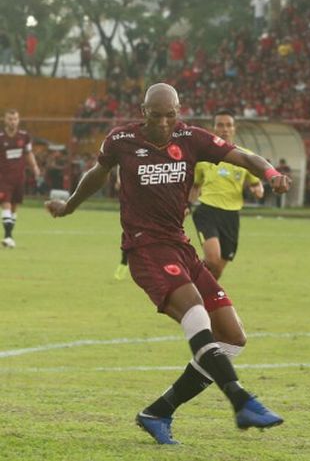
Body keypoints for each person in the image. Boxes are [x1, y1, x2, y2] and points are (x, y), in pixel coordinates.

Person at [45, 83, 291, 444]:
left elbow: (247, 158)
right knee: (196, 314)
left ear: (179, 111)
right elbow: (99, 173)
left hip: (181, 246)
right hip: (145, 249)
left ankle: (157, 412)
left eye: (170, 115)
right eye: (156, 115)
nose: (163, 123)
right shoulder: (121, 140)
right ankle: (240, 399)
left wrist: (271, 175)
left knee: (232, 338)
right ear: (143, 111)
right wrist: (70, 205)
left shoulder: (192, 138)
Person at [189, 109, 264, 279]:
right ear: (214, 128)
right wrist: (185, 205)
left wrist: (258, 190)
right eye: (220, 125)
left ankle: (195, 292)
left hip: (231, 216)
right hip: (207, 211)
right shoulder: (203, 157)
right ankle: (188, 285)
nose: (225, 129)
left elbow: (256, 183)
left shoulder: (246, 157)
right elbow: (195, 185)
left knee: (216, 271)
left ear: (234, 128)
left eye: (229, 125)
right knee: (213, 260)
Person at [0, 109, 41, 248]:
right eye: (10, 119)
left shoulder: (24, 137)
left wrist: (35, 167)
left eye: (15, 119)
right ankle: (8, 236)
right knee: (5, 203)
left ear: (18, 120)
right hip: (3, 178)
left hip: (19, 178)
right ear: (4, 120)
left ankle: (9, 235)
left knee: (14, 206)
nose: (13, 122)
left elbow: (28, 153)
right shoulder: (0, 137)